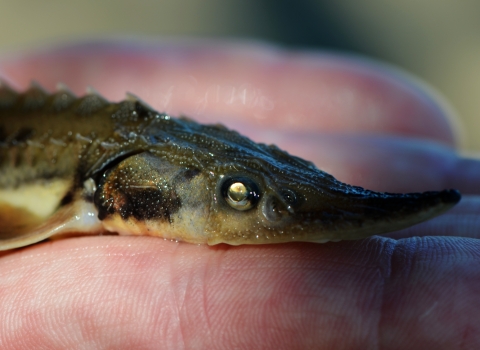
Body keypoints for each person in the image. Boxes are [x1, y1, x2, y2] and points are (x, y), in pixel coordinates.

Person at [0, 41, 478, 348]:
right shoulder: (84, 198)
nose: (248, 201)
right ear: (115, 189)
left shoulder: (133, 167)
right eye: (239, 195)